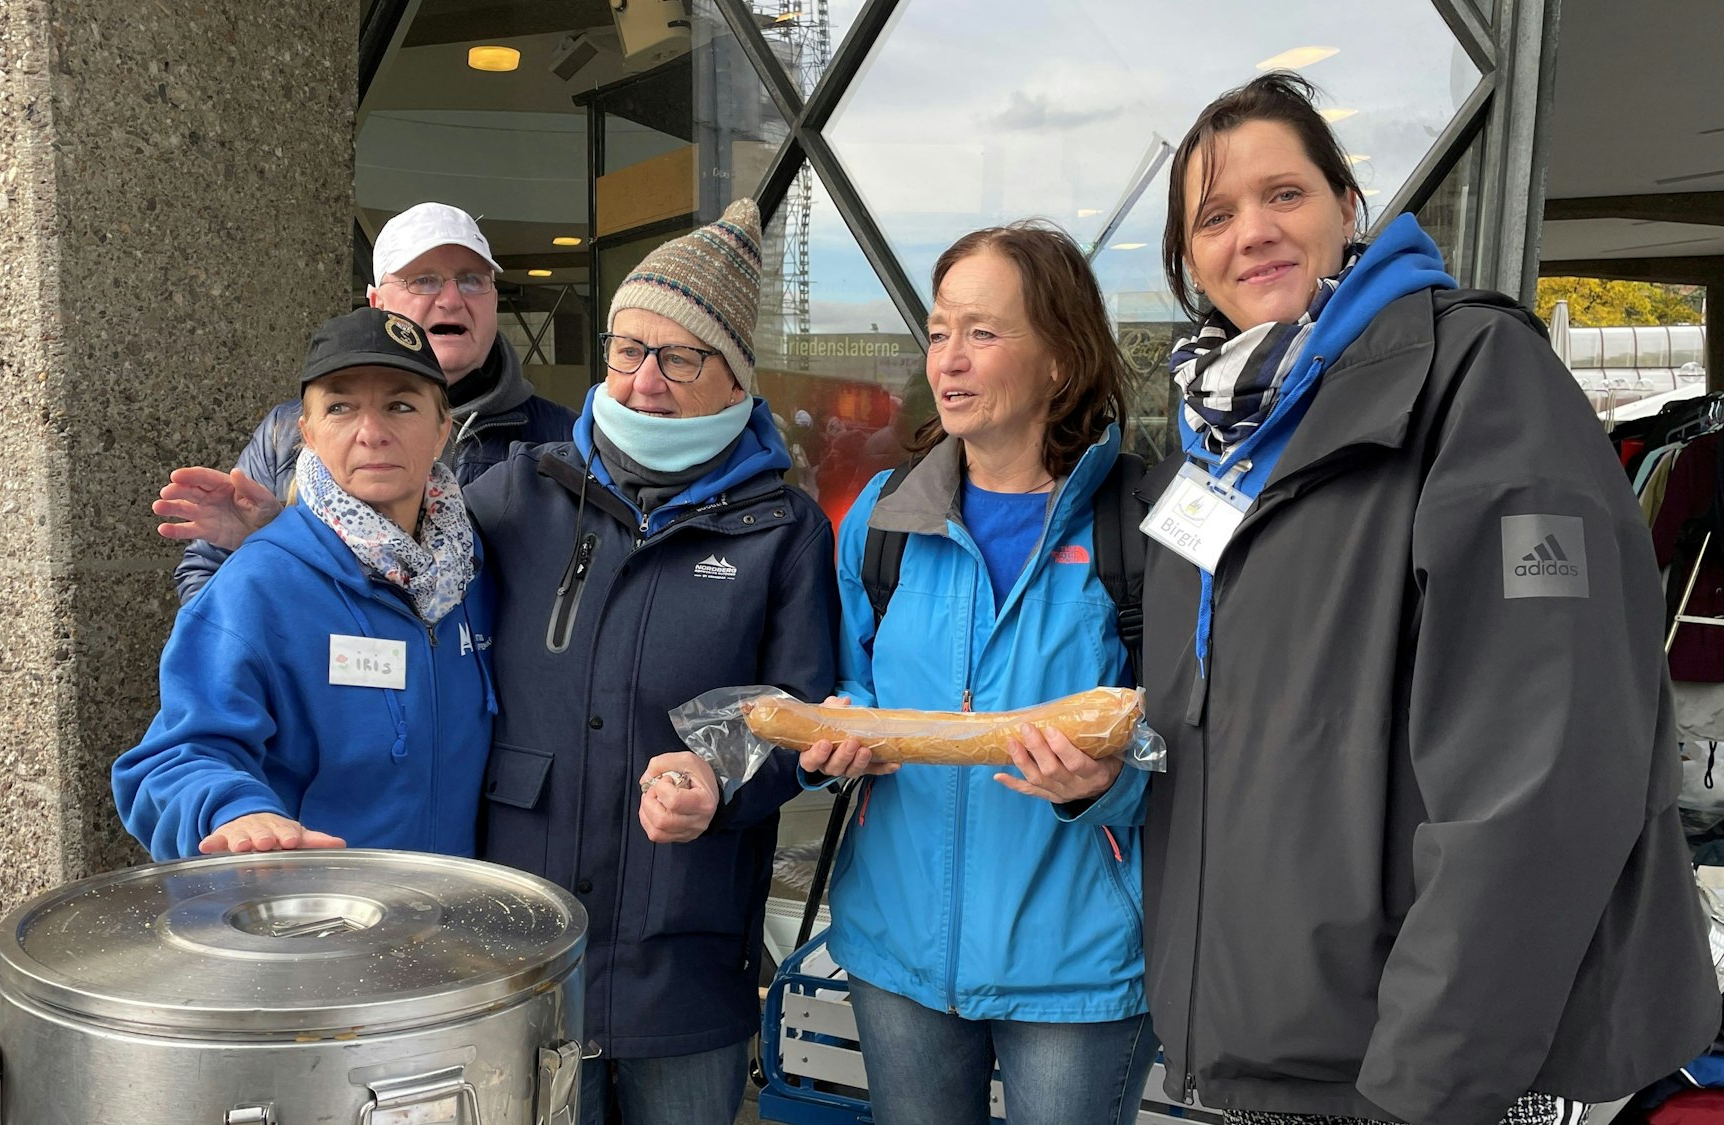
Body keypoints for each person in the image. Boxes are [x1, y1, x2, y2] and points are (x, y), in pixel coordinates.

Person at [1140, 72, 1715, 1125]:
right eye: (1213, 216)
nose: (1252, 232)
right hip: (1268, 1054)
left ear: (1346, 207)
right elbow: (1235, 732)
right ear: (1188, 263)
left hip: (1428, 1077)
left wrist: (1427, 1086)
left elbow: (1542, 772)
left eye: (1284, 194)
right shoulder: (1214, 448)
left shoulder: (1477, 380)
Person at [467, 199, 836, 1125]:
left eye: (678, 357)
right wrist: (273, 532)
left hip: (686, 947)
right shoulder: (519, 489)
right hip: (528, 938)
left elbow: (801, 711)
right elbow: (392, 568)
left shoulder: (782, 528)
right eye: (627, 349)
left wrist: (722, 781)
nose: (643, 380)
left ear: (734, 377)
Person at [799, 222, 1156, 1125]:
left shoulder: (1140, 525)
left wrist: (1102, 788)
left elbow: (1192, 739)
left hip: (1075, 958)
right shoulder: (882, 519)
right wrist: (848, 731)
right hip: (899, 945)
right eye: (939, 331)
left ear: (1062, 362)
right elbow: (860, 685)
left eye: (984, 333)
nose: (948, 360)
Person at [113, 308, 494, 861]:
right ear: (309, 434)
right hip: (315, 923)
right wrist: (237, 811)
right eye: (340, 408)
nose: (372, 432)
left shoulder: (476, 570)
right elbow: (172, 758)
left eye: (401, 405)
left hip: (450, 917)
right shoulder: (260, 582)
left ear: (441, 430)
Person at [157, 202, 576, 602]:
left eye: (472, 280)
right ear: (377, 302)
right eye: (424, 280)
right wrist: (271, 542)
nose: (451, 300)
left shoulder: (562, 443)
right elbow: (207, 579)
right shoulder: (286, 434)